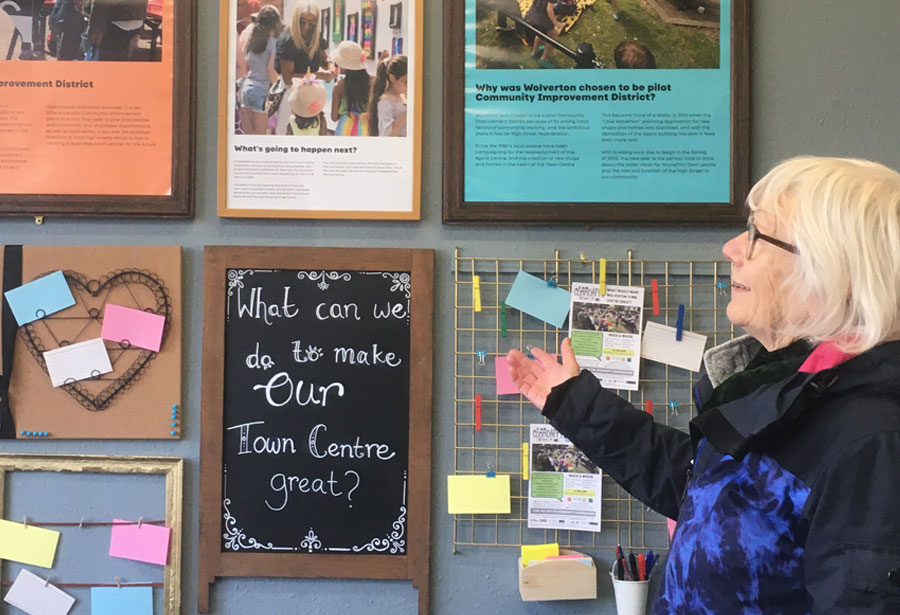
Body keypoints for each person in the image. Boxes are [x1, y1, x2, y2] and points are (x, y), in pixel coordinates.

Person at [507, 156, 900, 614]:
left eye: (757, 235)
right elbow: (708, 493)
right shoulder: (785, 389)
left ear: (830, 269)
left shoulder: (873, 441)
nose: (732, 248)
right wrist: (577, 405)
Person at [274, 3, 335, 135]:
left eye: (311, 23)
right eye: (302, 22)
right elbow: (289, 78)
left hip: (313, 93)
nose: (307, 26)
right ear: (296, 19)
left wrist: (331, 67)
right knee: (289, 135)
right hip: (293, 92)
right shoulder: (288, 40)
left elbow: (324, 59)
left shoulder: (315, 36)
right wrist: (320, 75)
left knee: (315, 134)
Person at [239, 6, 283, 135]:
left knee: (249, 138)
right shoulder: (274, 42)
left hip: (246, 89)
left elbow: (246, 66)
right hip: (262, 91)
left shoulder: (251, 41)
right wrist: (277, 90)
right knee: (260, 138)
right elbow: (270, 69)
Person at [330, 40, 372, 136]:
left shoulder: (338, 87)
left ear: (344, 66)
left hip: (345, 129)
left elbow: (334, 117)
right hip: (368, 129)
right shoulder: (373, 82)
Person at [367, 55, 407, 137]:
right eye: (405, 82)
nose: (409, 86)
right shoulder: (385, 101)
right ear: (392, 78)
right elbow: (387, 134)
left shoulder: (403, 96)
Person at [524, 0, 563, 65]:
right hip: (542, 18)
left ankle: (535, 52)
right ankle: (543, 59)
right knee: (553, 34)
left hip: (533, 13)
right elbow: (549, 10)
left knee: (540, 33)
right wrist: (556, 23)